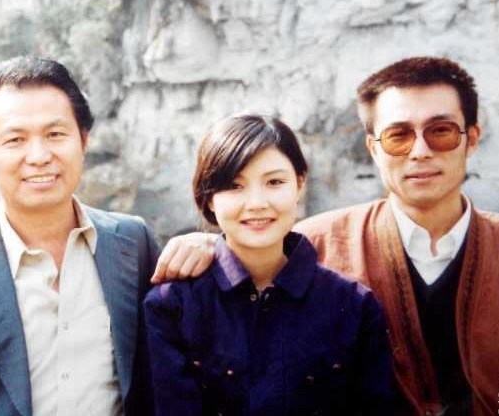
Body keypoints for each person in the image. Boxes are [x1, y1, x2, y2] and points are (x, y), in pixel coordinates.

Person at [0, 56, 213, 416]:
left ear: (83, 140)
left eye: (55, 134)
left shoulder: (133, 243)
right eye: (15, 139)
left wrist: (215, 246)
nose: (38, 156)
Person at [299, 57, 499, 413]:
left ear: (472, 140)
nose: (420, 152)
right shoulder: (314, 251)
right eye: (398, 136)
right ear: (374, 148)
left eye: (441, 131)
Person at [144, 114, 395, 415]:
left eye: (274, 182)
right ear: (209, 198)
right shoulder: (172, 305)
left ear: (300, 184)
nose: (257, 203)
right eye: (234, 185)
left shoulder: (354, 305)